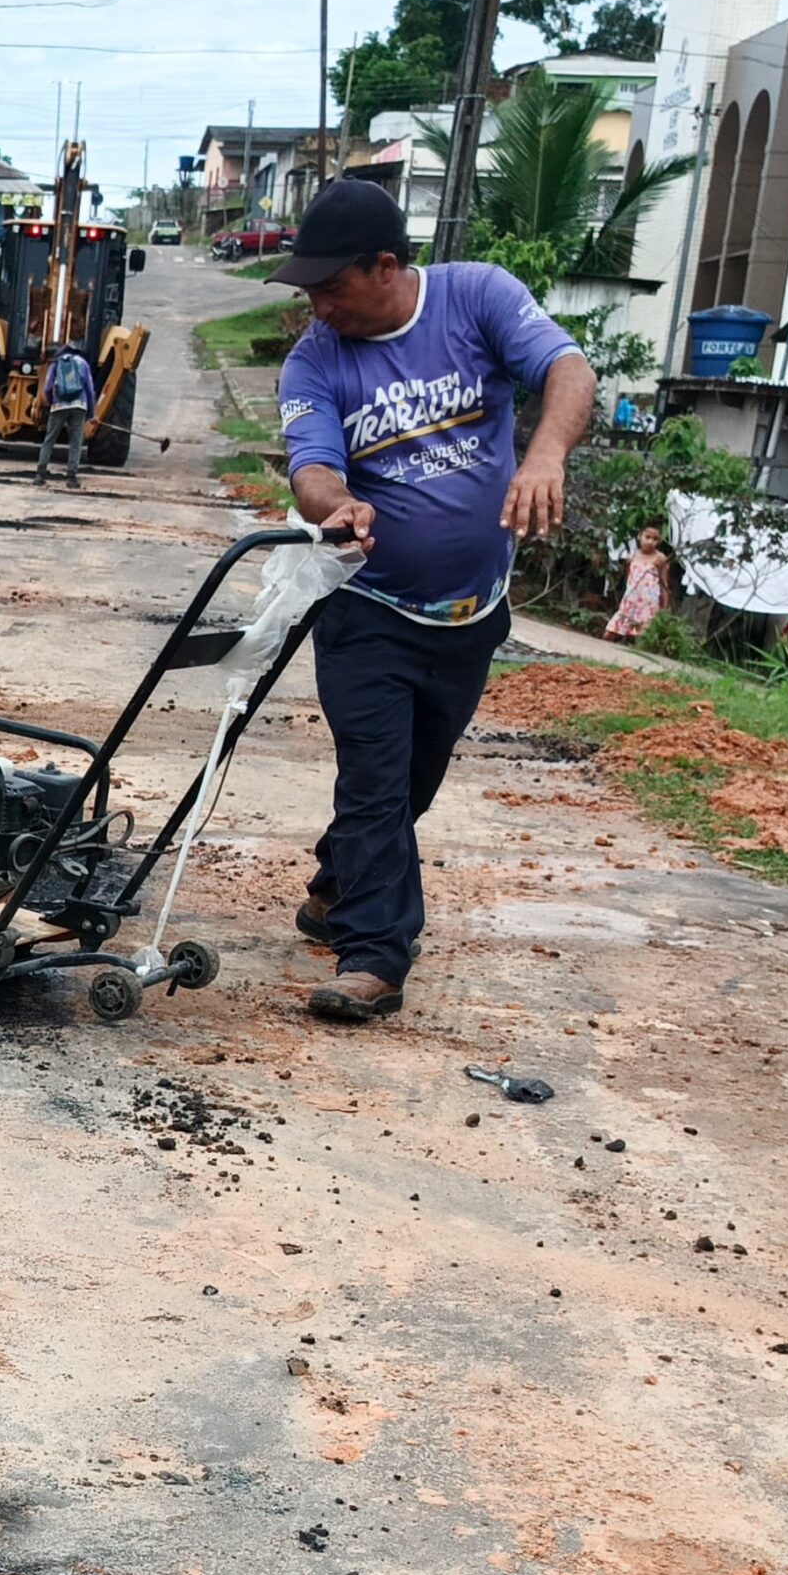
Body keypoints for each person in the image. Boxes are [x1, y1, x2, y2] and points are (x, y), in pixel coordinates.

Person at [275, 176, 596, 1023]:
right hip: (365, 608)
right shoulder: (315, 357)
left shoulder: (477, 297)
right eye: (308, 290)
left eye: (331, 287)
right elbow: (310, 462)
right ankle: (374, 955)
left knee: (414, 782)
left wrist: (544, 455)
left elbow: (567, 367)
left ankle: (337, 884)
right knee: (376, 781)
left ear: (386, 266)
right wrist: (332, 506)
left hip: (468, 613)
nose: (319, 306)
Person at [38, 342, 96, 486]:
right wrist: (91, 412)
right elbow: (89, 389)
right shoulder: (83, 363)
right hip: (79, 406)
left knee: (49, 440)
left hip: (58, 406)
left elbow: (48, 387)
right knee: (75, 442)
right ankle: (71, 477)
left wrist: (53, 402)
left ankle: (40, 475)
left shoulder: (56, 364)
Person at [605, 521, 672, 641]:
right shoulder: (632, 556)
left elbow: (664, 584)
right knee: (611, 632)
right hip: (630, 602)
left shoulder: (660, 559)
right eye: (648, 537)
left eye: (655, 539)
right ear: (640, 536)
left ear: (659, 541)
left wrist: (664, 607)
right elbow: (628, 579)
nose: (650, 541)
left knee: (642, 636)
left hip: (648, 605)